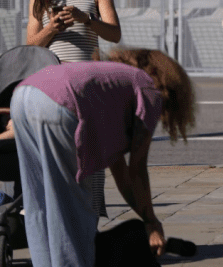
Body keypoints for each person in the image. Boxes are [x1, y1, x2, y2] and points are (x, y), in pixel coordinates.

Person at [11, 48, 195, 267]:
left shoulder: (110, 87)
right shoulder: (147, 87)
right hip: (59, 101)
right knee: (70, 205)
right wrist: (152, 223)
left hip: (24, 95)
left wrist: (147, 220)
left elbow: (122, 176)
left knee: (38, 199)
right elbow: (137, 171)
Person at [26, 0, 122, 217]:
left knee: (89, 154)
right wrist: (52, 28)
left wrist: (85, 19)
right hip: (52, 86)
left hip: (86, 83)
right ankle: (58, 215)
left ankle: (90, 217)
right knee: (57, 156)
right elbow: (30, 45)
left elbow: (114, 33)